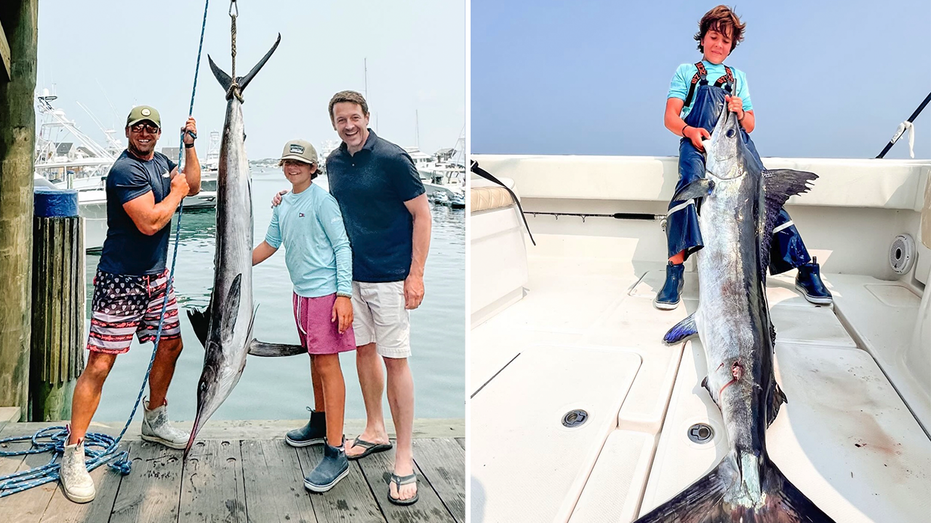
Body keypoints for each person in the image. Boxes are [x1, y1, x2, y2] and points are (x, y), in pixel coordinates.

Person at [273, 90, 431, 505]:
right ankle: (375, 429)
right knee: (363, 351)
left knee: (396, 359)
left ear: (366, 116)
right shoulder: (336, 162)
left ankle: (404, 456)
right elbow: (318, 198)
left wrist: (416, 275)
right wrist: (283, 197)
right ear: (334, 124)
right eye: (341, 120)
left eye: (354, 118)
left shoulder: (394, 159)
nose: (349, 125)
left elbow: (422, 214)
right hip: (350, 280)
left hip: (391, 276)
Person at [60, 106, 201, 503]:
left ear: (157, 133)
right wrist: (176, 192)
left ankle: (154, 418)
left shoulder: (162, 161)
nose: (144, 132)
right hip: (120, 279)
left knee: (172, 346)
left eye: (150, 128)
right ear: (127, 132)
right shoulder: (124, 171)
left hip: (157, 277)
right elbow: (150, 222)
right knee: (101, 364)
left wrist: (189, 147)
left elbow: (192, 182)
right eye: (138, 127)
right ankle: (74, 450)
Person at [654, 5, 832, 310]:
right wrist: (689, 130)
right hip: (697, 144)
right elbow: (670, 117)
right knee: (686, 191)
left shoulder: (737, 77)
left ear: (732, 45)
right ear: (703, 38)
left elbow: (750, 124)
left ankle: (804, 268)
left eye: (725, 41)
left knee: (765, 199)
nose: (718, 45)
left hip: (737, 148)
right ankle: (675, 272)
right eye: (713, 37)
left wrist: (739, 111)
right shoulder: (686, 72)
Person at [253, 139, 355, 493]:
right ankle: (320, 422)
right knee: (315, 361)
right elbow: (270, 244)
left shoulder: (322, 201)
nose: (292, 167)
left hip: (326, 294)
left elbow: (342, 245)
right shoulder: (282, 203)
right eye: (287, 162)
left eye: (300, 163)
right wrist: (232, 263)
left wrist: (344, 295)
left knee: (328, 365)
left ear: (313, 168)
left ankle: (336, 449)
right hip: (300, 296)